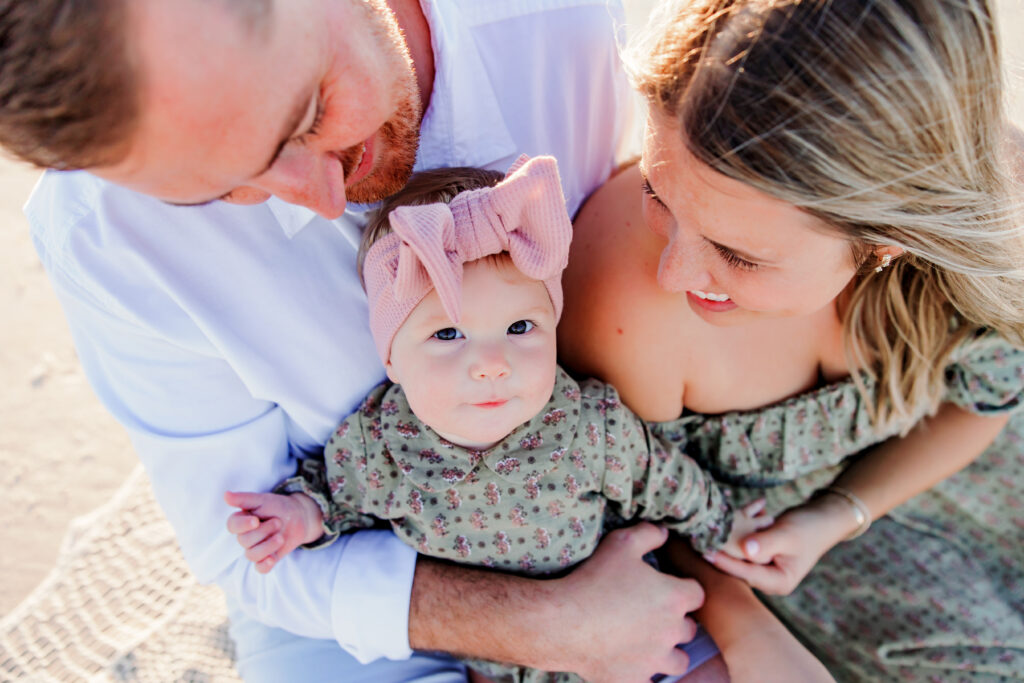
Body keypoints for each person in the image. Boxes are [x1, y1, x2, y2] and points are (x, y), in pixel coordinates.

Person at [2, 1, 728, 681]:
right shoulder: (106, 237)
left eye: (310, 112)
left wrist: (740, 613)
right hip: (369, 583)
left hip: (627, 533)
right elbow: (246, 551)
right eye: (223, 190)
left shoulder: (550, 19)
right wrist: (549, 623)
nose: (321, 199)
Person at [559, 0, 1024, 680]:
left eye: (739, 255)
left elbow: (984, 401)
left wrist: (842, 510)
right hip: (778, 571)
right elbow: (639, 518)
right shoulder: (629, 317)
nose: (675, 271)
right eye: (659, 190)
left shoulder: (985, 227)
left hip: (956, 481)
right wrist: (744, 628)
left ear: (890, 239)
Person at [224, 156, 807, 682]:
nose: (491, 365)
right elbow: (339, 494)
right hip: (498, 661)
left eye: (521, 328)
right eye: (448, 334)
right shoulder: (384, 443)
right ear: (391, 359)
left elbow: (667, 482)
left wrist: (725, 526)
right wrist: (299, 514)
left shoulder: (587, 424)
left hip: (634, 625)